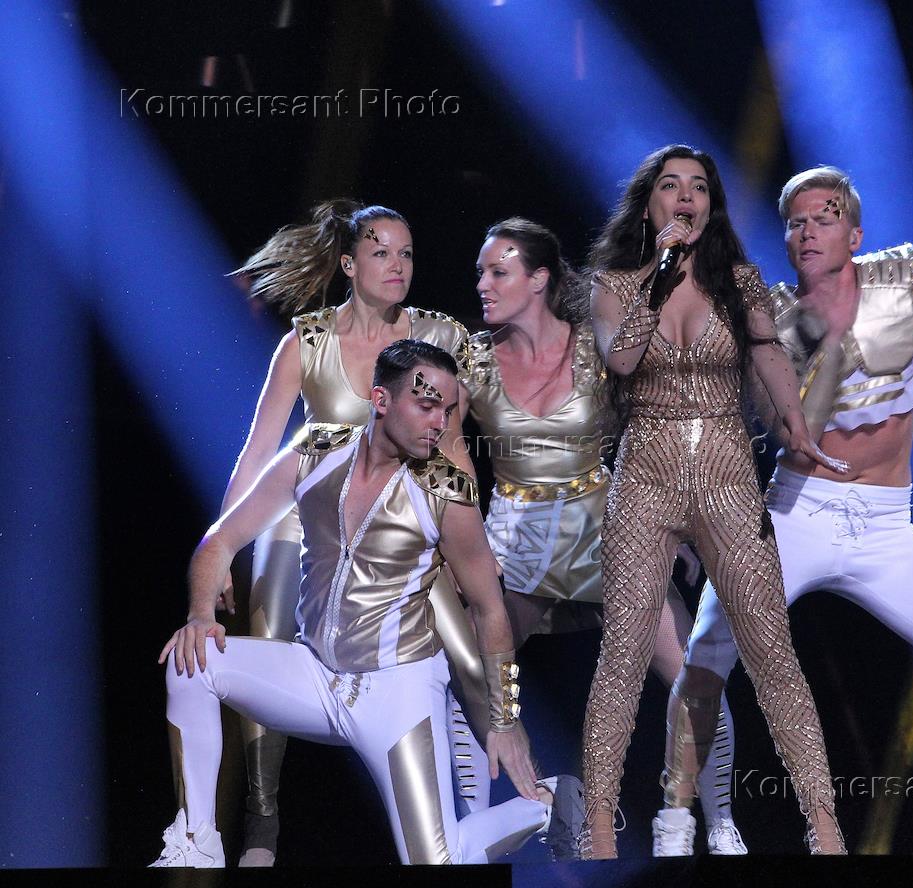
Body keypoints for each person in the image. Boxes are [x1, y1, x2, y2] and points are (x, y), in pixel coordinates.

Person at [675, 166, 913, 856]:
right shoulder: (768, 327)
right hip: (796, 515)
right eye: (796, 223)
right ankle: (682, 820)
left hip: (886, 526)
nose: (807, 232)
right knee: (704, 658)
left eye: (823, 219)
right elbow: (760, 428)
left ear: (855, 235)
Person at [150, 340, 576, 868]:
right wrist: (199, 616)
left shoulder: (447, 492)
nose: (440, 423)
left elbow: (490, 609)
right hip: (313, 674)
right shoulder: (316, 452)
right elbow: (220, 540)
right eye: (427, 405)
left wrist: (505, 720)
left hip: (397, 693)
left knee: (438, 863)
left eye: (447, 410)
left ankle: (548, 805)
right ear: (381, 399)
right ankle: (196, 848)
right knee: (190, 663)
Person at [578, 145, 848, 859]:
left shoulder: (740, 282)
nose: (686, 196)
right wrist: (661, 272)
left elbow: (769, 357)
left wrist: (796, 425)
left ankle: (824, 826)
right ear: (649, 206)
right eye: (671, 185)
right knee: (624, 651)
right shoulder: (614, 285)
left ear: (711, 205)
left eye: (699, 186)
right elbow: (622, 358)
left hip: (727, 473)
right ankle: (601, 824)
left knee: (772, 652)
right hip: (645, 474)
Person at [461, 218, 748, 855]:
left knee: (694, 675)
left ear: (539, 279)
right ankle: (488, 822)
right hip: (517, 543)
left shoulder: (597, 347)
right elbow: (433, 443)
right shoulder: (470, 360)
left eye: (498, 272)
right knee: (467, 673)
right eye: (481, 272)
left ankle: (722, 824)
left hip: (605, 530)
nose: (482, 284)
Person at [224, 201, 494, 864]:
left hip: (403, 521)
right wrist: (225, 544)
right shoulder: (307, 343)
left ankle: (483, 808)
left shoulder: (440, 335)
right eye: (381, 253)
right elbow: (259, 452)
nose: (398, 266)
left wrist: (469, 541)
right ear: (348, 264)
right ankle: (262, 819)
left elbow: (458, 447)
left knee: (466, 653)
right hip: (307, 518)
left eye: (406, 254)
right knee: (267, 631)